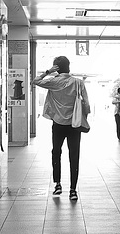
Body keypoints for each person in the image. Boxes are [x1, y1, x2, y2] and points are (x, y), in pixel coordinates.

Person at [32, 56, 89, 201]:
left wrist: (48, 71)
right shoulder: (78, 82)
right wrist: (84, 118)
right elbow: (86, 104)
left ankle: (57, 184)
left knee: (56, 152)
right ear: (68, 66)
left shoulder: (53, 81)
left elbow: (35, 81)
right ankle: (73, 190)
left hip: (58, 124)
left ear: (56, 68)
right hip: (74, 125)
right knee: (74, 155)